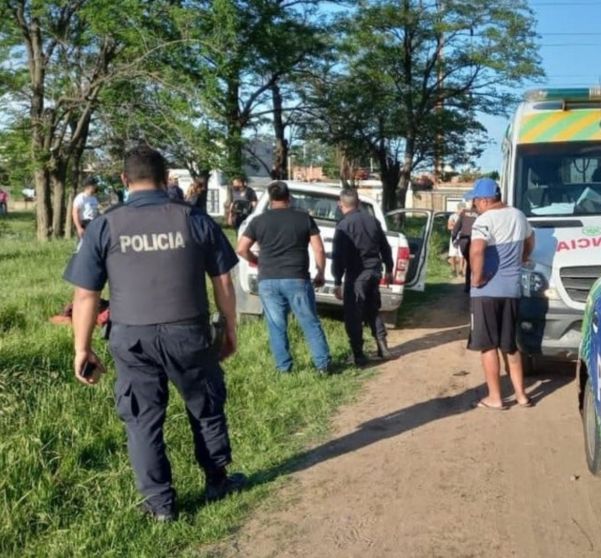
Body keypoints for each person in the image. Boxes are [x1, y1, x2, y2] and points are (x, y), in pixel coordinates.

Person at [63, 145, 245, 522]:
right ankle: (216, 481)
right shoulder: (194, 219)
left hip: (131, 338)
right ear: (165, 181)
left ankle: (161, 506)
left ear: (125, 181)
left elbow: (85, 295)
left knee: (142, 420)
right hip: (189, 332)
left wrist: (82, 348)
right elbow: (223, 279)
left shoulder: (105, 225)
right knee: (205, 407)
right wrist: (229, 327)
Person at [236, 181, 333, 374]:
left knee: (276, 325)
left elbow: (240, 248)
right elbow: (318, 248)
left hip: (268, 280)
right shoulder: (304, 218)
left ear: (271, 200)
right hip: (296, 278)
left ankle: (284, 368)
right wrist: (320, 271)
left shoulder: (258, 221)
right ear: (289, 198)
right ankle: (323, 365)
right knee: (309, 321)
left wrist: (256, 260)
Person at [467, 178, 534, 410]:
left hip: (486, 292)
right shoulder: (518, 215)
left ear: (485, 200)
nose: (474, 205)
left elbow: (476, 250)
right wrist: (523, 257)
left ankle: (495, 397)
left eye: (475, 201)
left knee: (488, 346)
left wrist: (477, 278)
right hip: (512, 290)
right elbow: (530, 240)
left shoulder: (484, 220)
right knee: (510, 345)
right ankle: (521, 395)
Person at [331, 188, 394, 366]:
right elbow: (385, 246)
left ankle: (358, 354)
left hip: (356, 275)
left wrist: (337, 281)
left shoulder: (344, 226)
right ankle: (383, 347)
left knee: (353, 314)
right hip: (374, 272)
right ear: (358, 202)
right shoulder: (372, 220)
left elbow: (338, 256)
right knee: (373, 310)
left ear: (340, 204)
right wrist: (389, 268)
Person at [453, 199, 478, 293]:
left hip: (464, 241)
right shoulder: (482, 213)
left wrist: (454, 240)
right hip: (476, 240)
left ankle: (468, 286)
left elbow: (456, 228)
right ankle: (476, 284)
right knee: (476, 262)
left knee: (469, 263)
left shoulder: (464, 212)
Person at [447, 207, 463, 277]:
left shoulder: (465, 217)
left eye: (463, 209)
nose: (461, 211)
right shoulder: (452, 216)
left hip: (462, 237)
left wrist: (455, 225)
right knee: (453, 254)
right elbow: (449, 227)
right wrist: (458, 226)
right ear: (457, 209)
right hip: (454, 237)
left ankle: (461, 270)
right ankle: (453, 270)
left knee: (461, 255)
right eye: (460, 209)